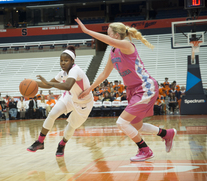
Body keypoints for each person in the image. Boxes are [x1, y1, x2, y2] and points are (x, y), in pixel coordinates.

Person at [75, 18, 176, 162]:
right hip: (132, 90)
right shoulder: (113, 51)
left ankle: (145, 150)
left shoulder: (127, 45)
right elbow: (104, 74)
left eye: (109, 34)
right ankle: (166, 133)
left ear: (116, 35)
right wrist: (89, 89)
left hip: (145, 87)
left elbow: (109, 41)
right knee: (136, 125)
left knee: (121, 123)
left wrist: (87, 31)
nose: (108, 37)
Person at [27, 45, 94, 157]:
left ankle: (62, 144)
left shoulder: (75, 70)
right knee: (52, 114)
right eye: (61, 60)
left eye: (66, 60)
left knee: (71, 126)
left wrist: (48, 83)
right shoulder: (62, 73)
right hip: (69, 97)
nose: (63, 63)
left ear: (72, 61)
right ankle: (40, 142)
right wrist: (31, 83)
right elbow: (47, 85)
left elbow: (67, 85)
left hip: (84, 103)